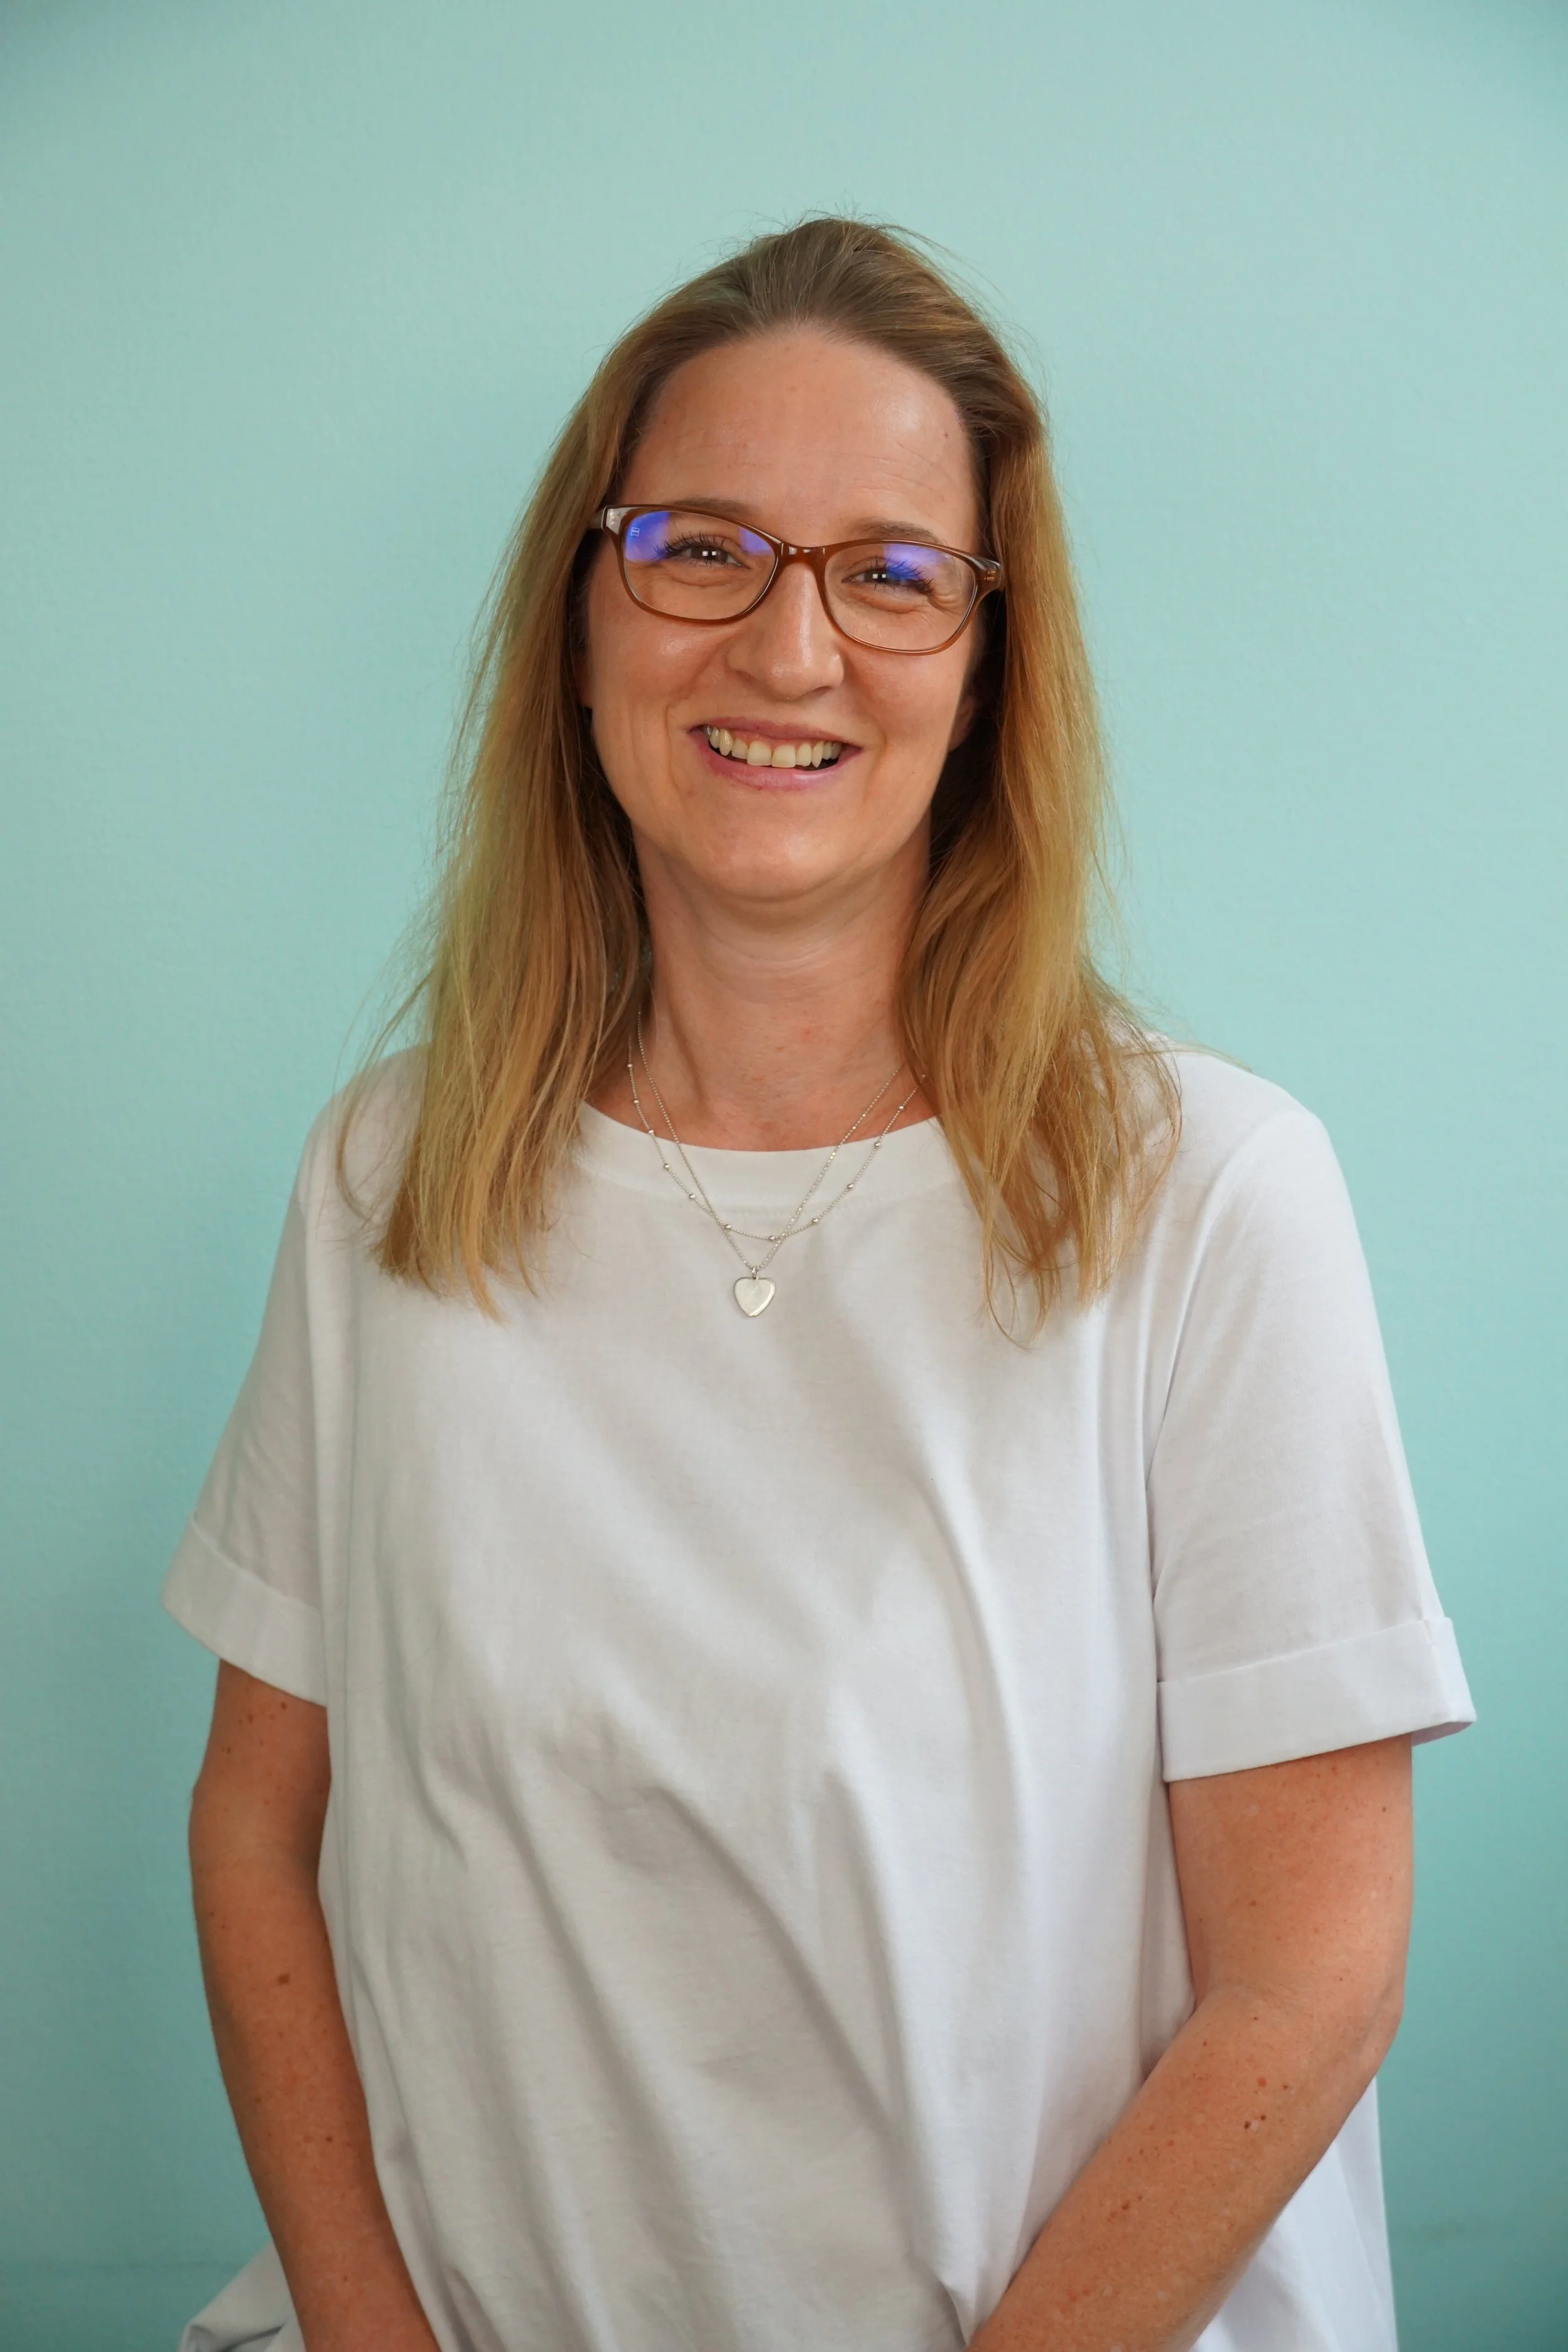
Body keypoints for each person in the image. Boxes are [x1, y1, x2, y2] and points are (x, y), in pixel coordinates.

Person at [165, 217, 1473, 2352]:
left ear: (983, 666)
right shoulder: (392, 1177)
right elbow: (257, 1818)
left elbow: (1307, 1979)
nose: (787, 653)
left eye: (888, 573)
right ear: (578, 620)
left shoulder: (1211, 1194)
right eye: (699, 547)